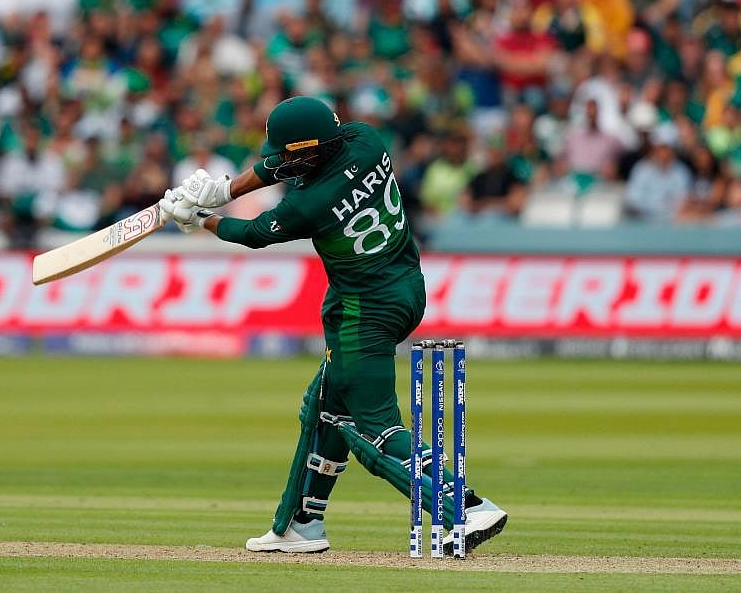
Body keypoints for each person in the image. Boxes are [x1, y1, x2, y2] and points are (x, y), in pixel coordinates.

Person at [158, 96, 507, 554]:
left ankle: (467, 506)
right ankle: (302, 525)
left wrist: (201, 220)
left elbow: (256, 234)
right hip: (405, 285)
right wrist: (224, 190)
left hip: (364, 311)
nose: (280, 159)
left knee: (374, 431)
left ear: (308, 150)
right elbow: (279, 165)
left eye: (288, 152)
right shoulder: (365, 139)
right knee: (323, 406)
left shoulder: (310, 202)